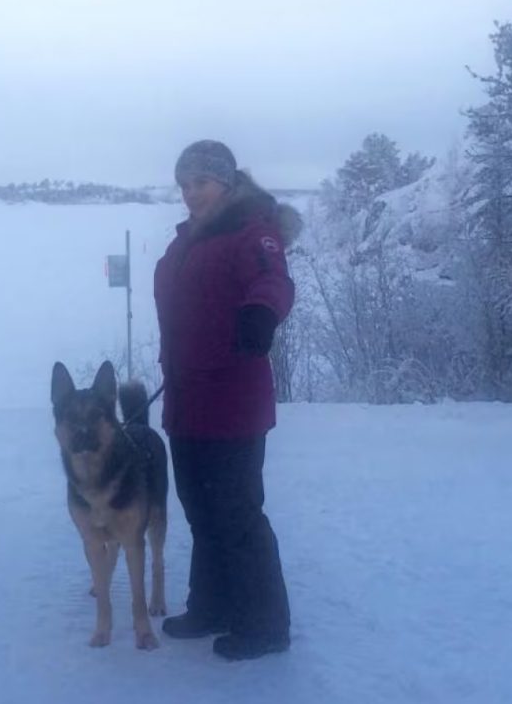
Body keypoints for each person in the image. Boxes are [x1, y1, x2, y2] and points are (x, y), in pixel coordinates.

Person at [153, 139, 300, 661]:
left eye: (202, 182)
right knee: (201, 513)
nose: (191, 193)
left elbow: (274, 281)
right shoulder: (186, 241)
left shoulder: (252, 232)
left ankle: (264, 626)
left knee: (237, 514)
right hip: (187, 402)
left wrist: (261, 313)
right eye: (185, 184)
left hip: (233, 402)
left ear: (227, 182)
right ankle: (213, 605)